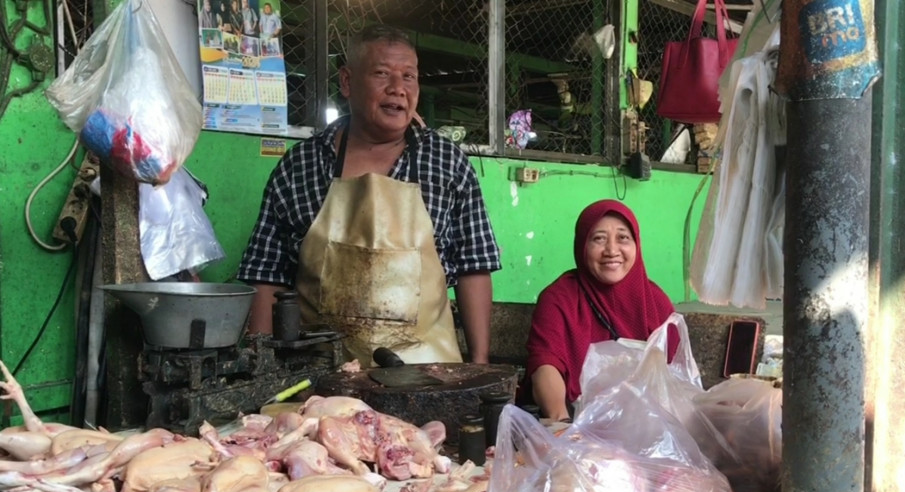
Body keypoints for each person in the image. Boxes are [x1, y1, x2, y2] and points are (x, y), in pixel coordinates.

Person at [237, 25, 501, 367]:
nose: (398, 89)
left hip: (428, 373)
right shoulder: (301, 165)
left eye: (409, 76)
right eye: (382, 74)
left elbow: (474, 266)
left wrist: (479, 365)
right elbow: (266, 274)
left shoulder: (447, 162)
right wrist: (261, 369)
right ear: (347, 82)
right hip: (319, 377)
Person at [524, 200, 679, 422]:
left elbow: (676, 377)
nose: (612, 250)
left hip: (648, 431)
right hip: (577, 423)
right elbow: (545, 364)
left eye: (623, 238)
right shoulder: (559, 298)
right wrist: (561, 424)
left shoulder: (656, 302)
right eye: (599, 239)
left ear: (637, 244)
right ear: (582, 245)